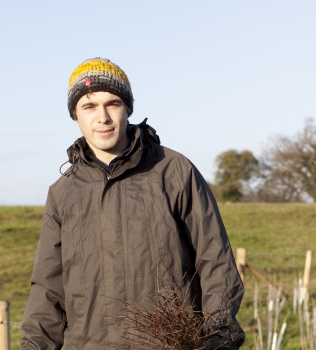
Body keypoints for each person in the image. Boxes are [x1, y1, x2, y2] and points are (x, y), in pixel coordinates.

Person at [20, 58, 245, 349]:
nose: (103, 117)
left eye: (112, 103)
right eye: (89, 106)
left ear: (127, 108)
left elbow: (217, 263)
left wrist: (218, 340)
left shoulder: (173, 171)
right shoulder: (63, 193)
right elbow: (47, 290)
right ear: (75, 115)